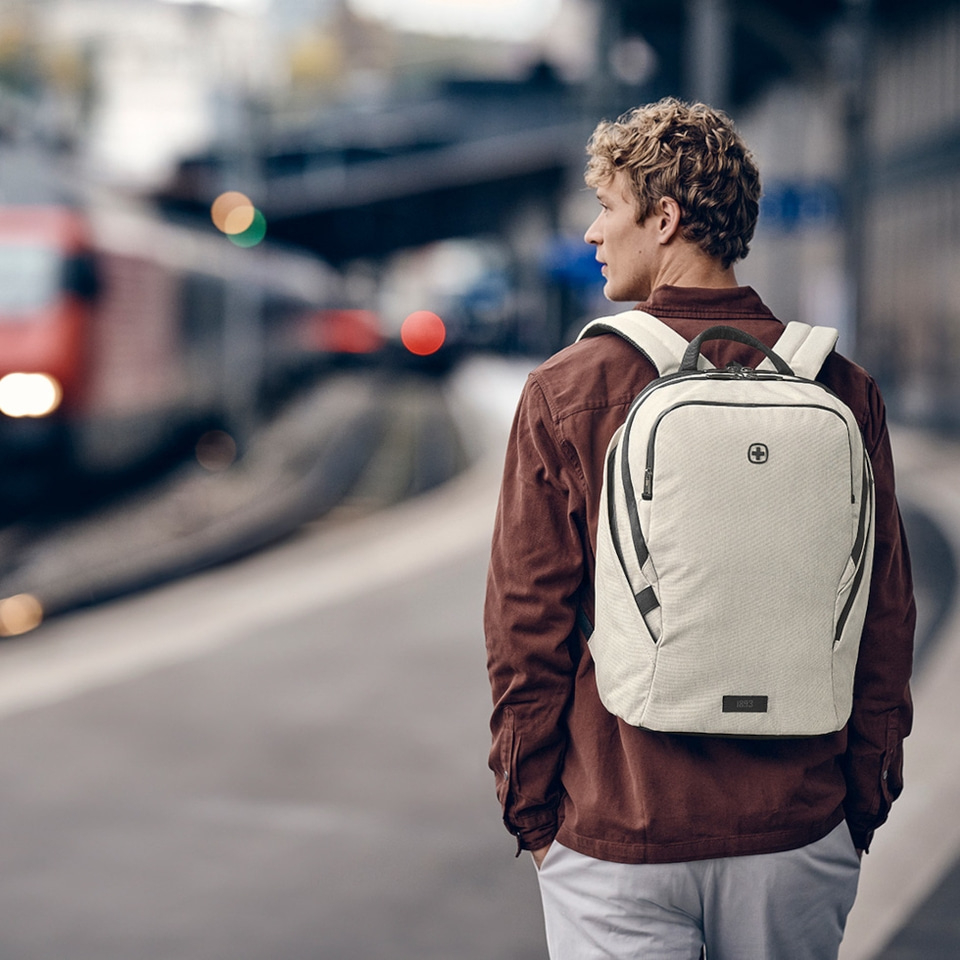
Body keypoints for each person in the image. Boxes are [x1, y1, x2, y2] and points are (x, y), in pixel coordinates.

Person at [484, 97, 915, 960]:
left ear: (665, 218)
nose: (593, 233)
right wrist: (861, 800)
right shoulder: (842, 389)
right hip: (796, 831)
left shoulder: (567, 390)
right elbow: (883, 616)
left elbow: (526, 625)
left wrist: (534, 816)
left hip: (618, 831)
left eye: (607, 207)